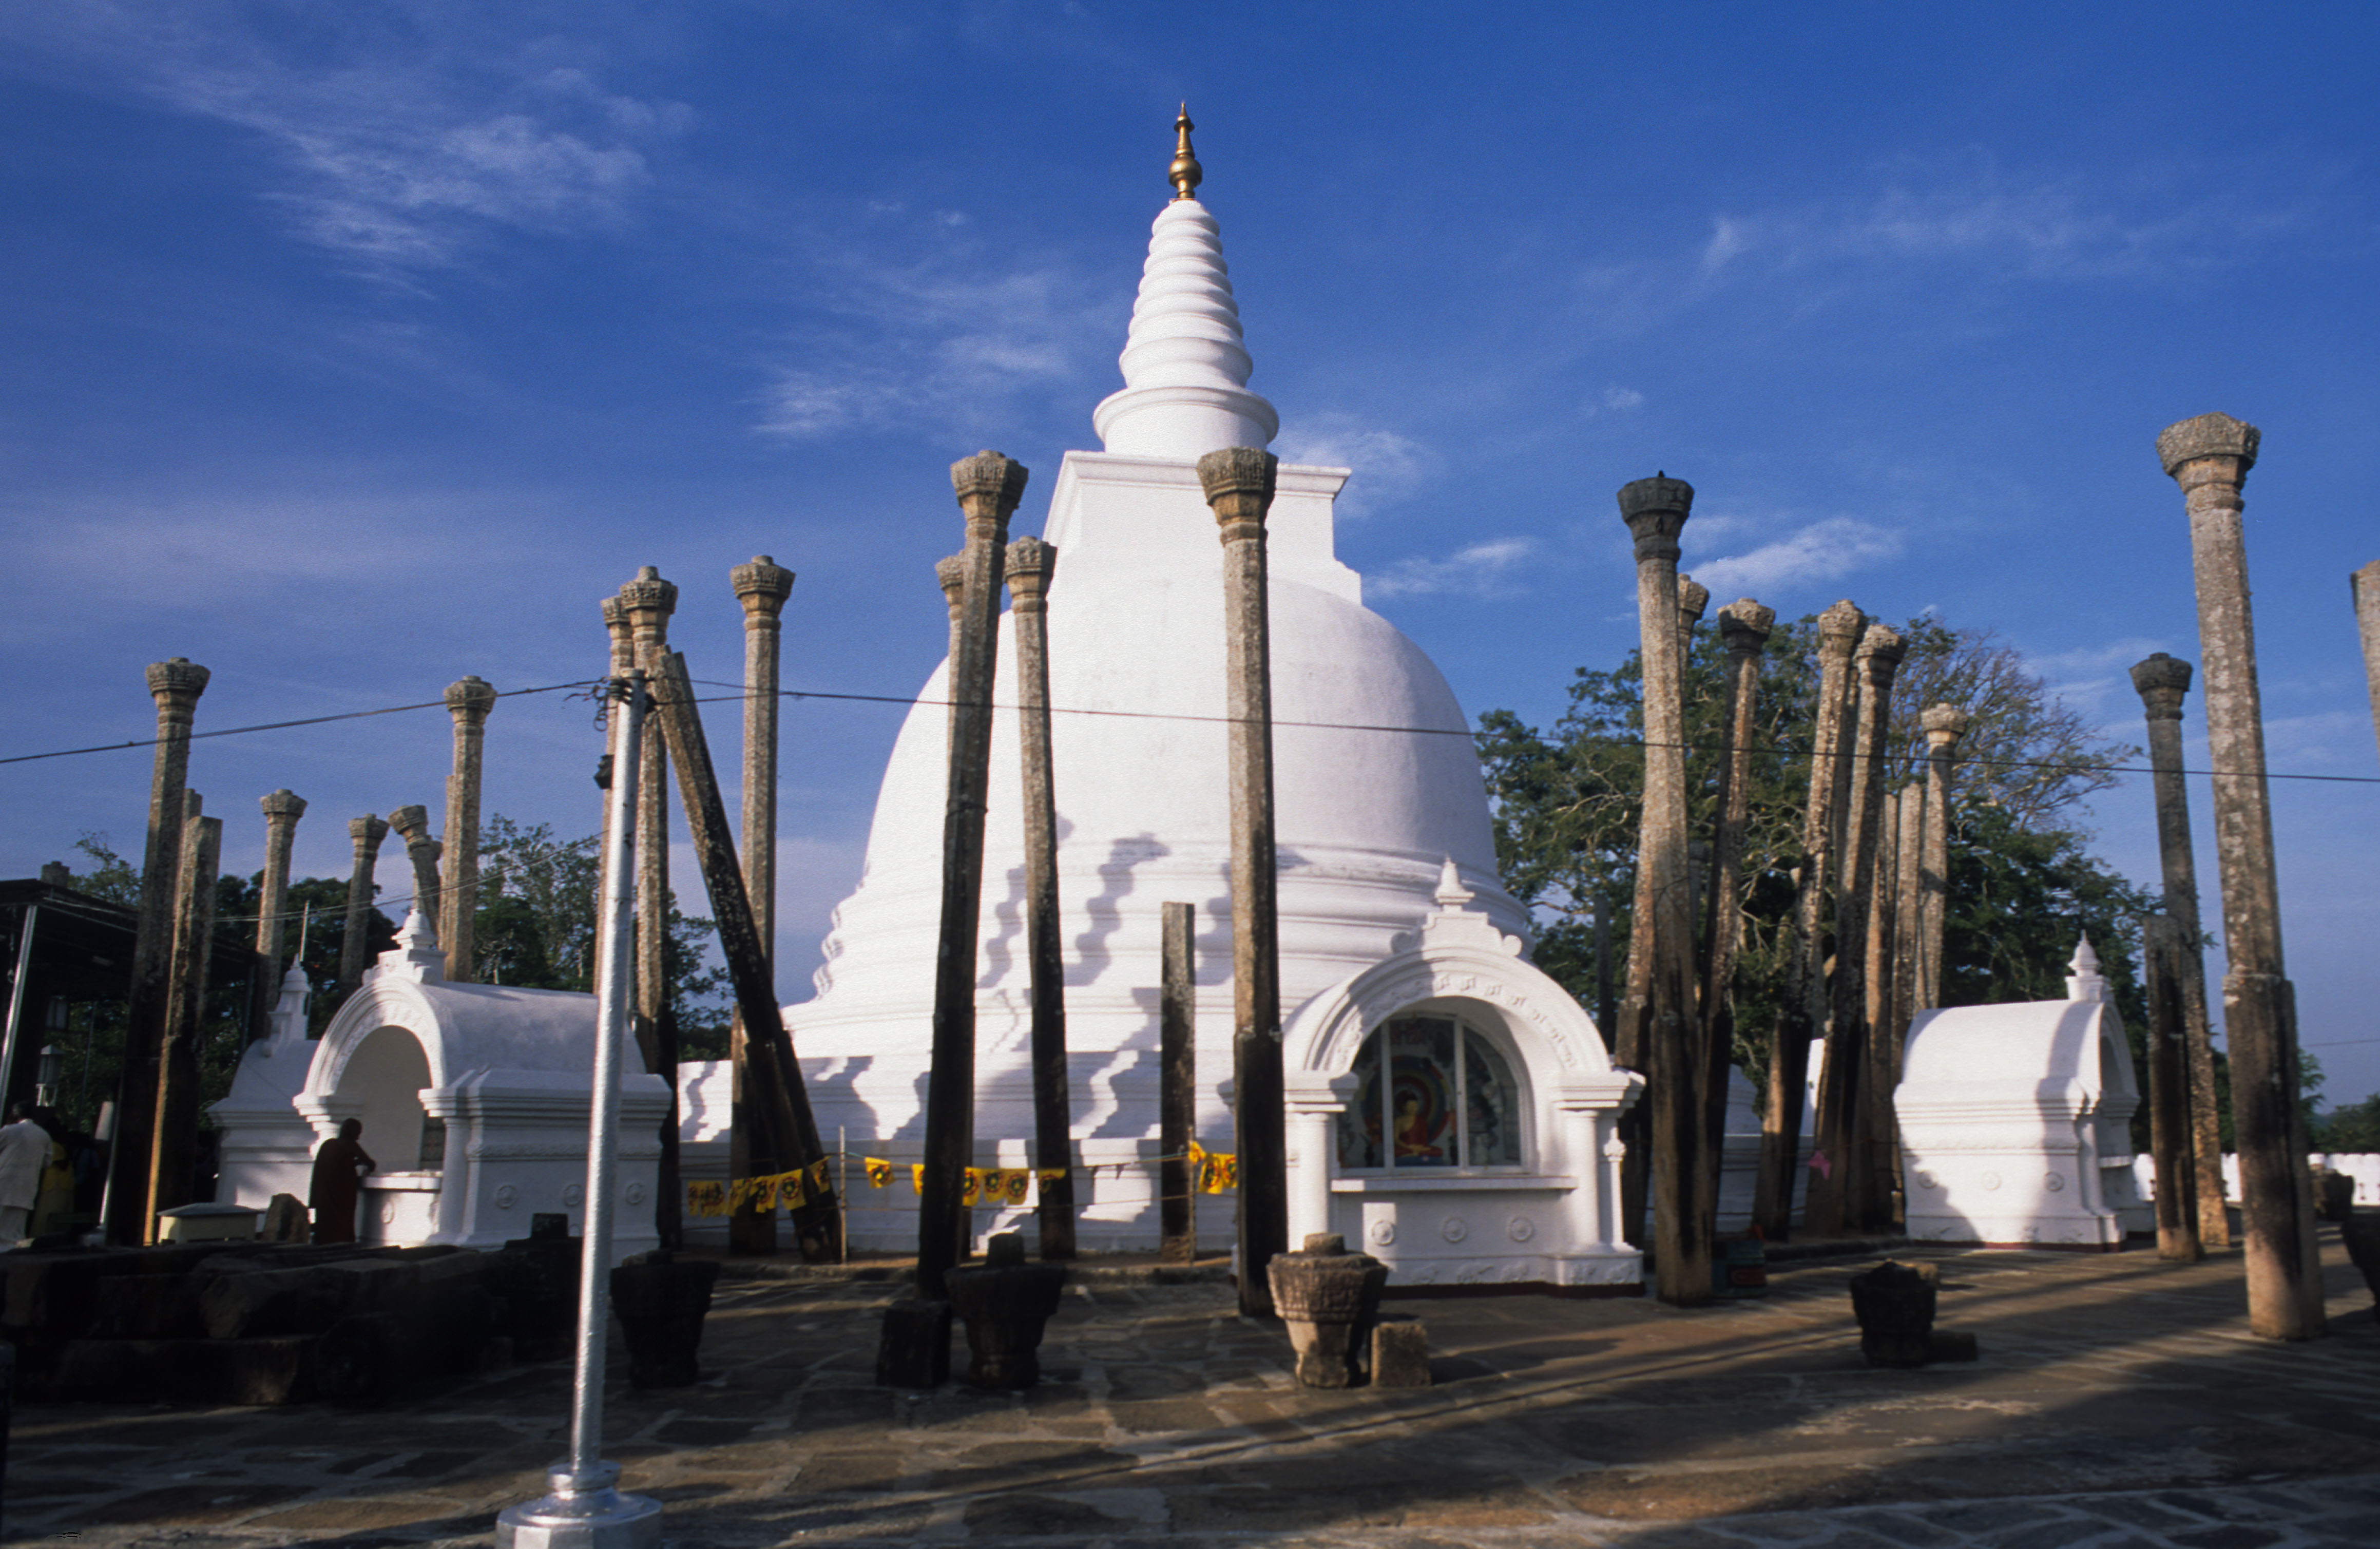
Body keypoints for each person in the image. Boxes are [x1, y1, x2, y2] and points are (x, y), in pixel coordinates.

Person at [308, 1118, 375, 1245]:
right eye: (358, 1133)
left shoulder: (328, 1145)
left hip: (325, 1199)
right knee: (340, 1230)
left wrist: (352, 1164)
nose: (359, 1137)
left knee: (326, 1228)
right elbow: (370, 1164)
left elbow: (336, 1168)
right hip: (342, 1200)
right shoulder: (350, 1145)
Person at [0, 1104, 51, 1247]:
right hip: (27, 1186)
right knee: (15, 1230)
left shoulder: (9, 1131)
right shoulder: (43, 1135)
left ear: (15, 1115)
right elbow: (47, 1163)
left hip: (4, 1183)